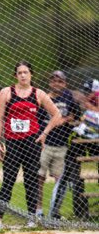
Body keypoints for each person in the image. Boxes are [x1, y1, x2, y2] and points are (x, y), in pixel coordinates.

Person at [0, 61, 61, 230]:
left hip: (32, 143)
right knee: (8, 181)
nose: (23, 75)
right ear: (15, 76)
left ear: (31, 74)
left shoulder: (38, 94)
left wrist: (44, 134)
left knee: (31, 181)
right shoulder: (6, 93)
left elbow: (57, 114)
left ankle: (31, 219)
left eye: (26, 72)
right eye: (19, 72)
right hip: (12, 143)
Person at [50, 79, 99, 220]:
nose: (86, 95)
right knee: (71, 171)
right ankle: (72, 212)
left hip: (93, 141)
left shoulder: (91, 103)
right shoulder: (81, 105)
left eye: (89, 92)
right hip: (81, 141)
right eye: (85, 92)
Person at [35, 71, 79, 219]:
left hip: (62, 145)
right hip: (45, 144)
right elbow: (38, 119)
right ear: (50, 83)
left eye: (60, 81)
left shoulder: (68, 98)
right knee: (39, 177)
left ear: (65, 83)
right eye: (54, 81)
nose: (57, 84)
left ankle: (54, 212)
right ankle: (38, 210)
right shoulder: (45, 99)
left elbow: (76, 115)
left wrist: (64, 120)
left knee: (59, 180)